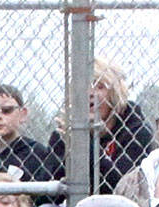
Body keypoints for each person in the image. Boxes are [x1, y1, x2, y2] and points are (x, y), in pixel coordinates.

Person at [49, 59, 152, 197]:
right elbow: (47, 193)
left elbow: (118, 186)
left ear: (114, 93)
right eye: (83, 87)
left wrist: (84, 141)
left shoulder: (137, 131)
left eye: (100, 87)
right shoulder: (64, 134)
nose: (90, 93)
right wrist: (73, 138)